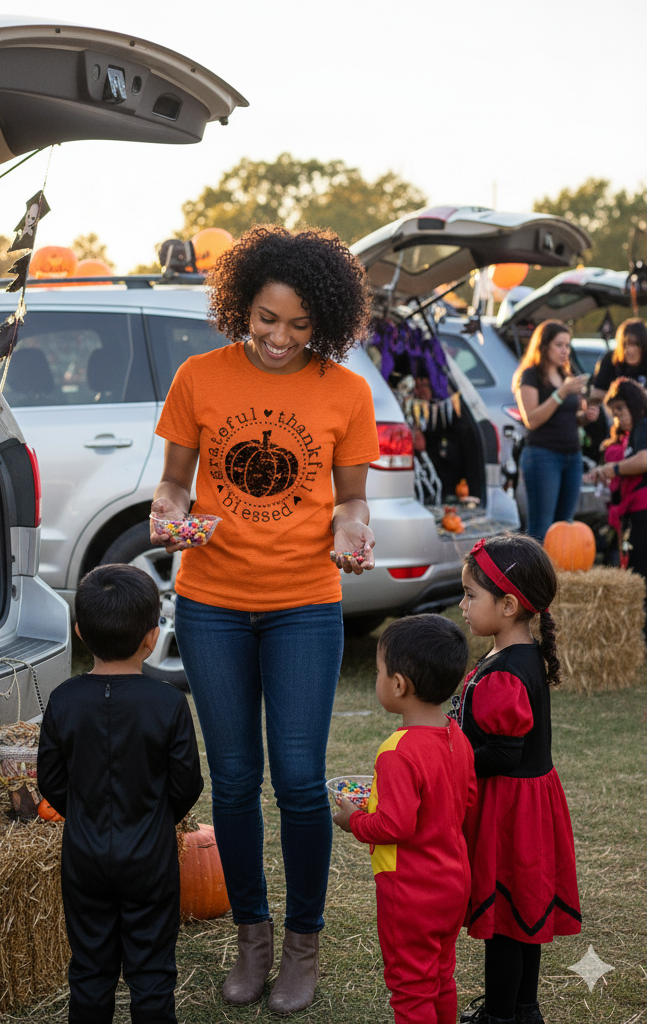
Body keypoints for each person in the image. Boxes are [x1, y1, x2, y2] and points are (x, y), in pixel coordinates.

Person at [150, 224, 379, 1013]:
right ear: (240, 306)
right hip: (211, 603)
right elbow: (176, 486)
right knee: (237, 780)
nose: (280, 338)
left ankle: (302, 944)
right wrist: (167, 512)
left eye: (299, 325)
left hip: (304, 609)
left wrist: (352, 530)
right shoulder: (197, 377)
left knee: (300, 782)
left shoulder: (345, 392)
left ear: (326, 322)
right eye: (266, 319)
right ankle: (252, 934)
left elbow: (351, 498)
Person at [37, 564, 204, 1024]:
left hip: (84, 855)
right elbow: (187, 782)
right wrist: (155, 817)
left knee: (90, 970)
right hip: (150, 857)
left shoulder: (63, 700)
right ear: (152, 637)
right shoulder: (168, 703)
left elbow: (49, 779)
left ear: (79, 633)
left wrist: (84, 814)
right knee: (151, 971)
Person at [456, 536, 581, 1024]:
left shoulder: (507, 674)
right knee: (524, 919)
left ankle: (501, 1017)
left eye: (470, 595)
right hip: (531, 803)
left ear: (508, 605)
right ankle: (523, 1011)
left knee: (507, 925)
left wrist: (453, 760)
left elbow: (502, 755)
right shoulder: (517, 655)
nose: (463, 606)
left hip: (512, 811)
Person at [333, 614, 477, 1024]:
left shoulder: (398, 751)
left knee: (411, 989)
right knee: (441, 976)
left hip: (409, 892)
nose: (378, 679)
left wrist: (353, 821)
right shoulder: (457, 737)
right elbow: (466, 799)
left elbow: (394, 827)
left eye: (379, 671)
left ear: (398, 685)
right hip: (452, 884)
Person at [512, 319, 598, 543]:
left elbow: (565, 418)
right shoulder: (530, 375)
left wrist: (584, 418)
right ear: (544, 346)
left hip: (572, 456)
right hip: (543, 456)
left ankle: (558, 576)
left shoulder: (565, 375)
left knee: (564, 527)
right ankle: (535, 576)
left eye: (568, 345)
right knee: (541, 528)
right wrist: (561, 393)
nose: (565, 351)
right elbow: (531, 419)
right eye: (559, 345)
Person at [585, 377, 647, 623]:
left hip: (643, 509)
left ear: (633, 403)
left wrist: (615, 469)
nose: (618, 418)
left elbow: (644, 459)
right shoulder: (634, 432)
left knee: (639, 572)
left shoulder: (643, 426)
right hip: (634, 509)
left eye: (620, 410)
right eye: (615, 412)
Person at [589, 317, 647, 402]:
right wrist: (617, 397)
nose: (630, 350)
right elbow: (595, 392)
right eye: (625, 344)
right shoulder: (610, 360)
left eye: (636, 345)